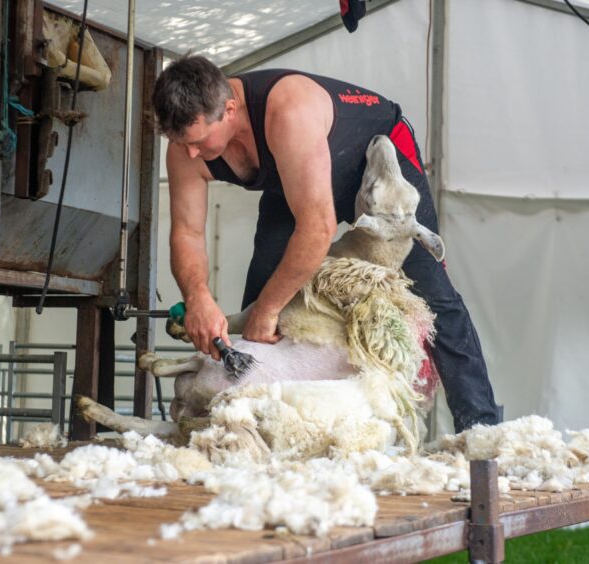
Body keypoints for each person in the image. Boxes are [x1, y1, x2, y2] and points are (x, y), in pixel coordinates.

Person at [151, 55, 498, 432]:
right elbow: (186, 233)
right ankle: (259, 428)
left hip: (374, 159)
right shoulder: (187, 146)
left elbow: (317, 229)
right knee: (262, 295)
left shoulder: (288, 111)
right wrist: (198, 294)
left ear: (230, 109)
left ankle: (480, 427)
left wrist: (267, 312)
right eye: (180, 142)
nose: (190, 154)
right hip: (296, 177)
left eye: (199, 142)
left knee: (432, 294)